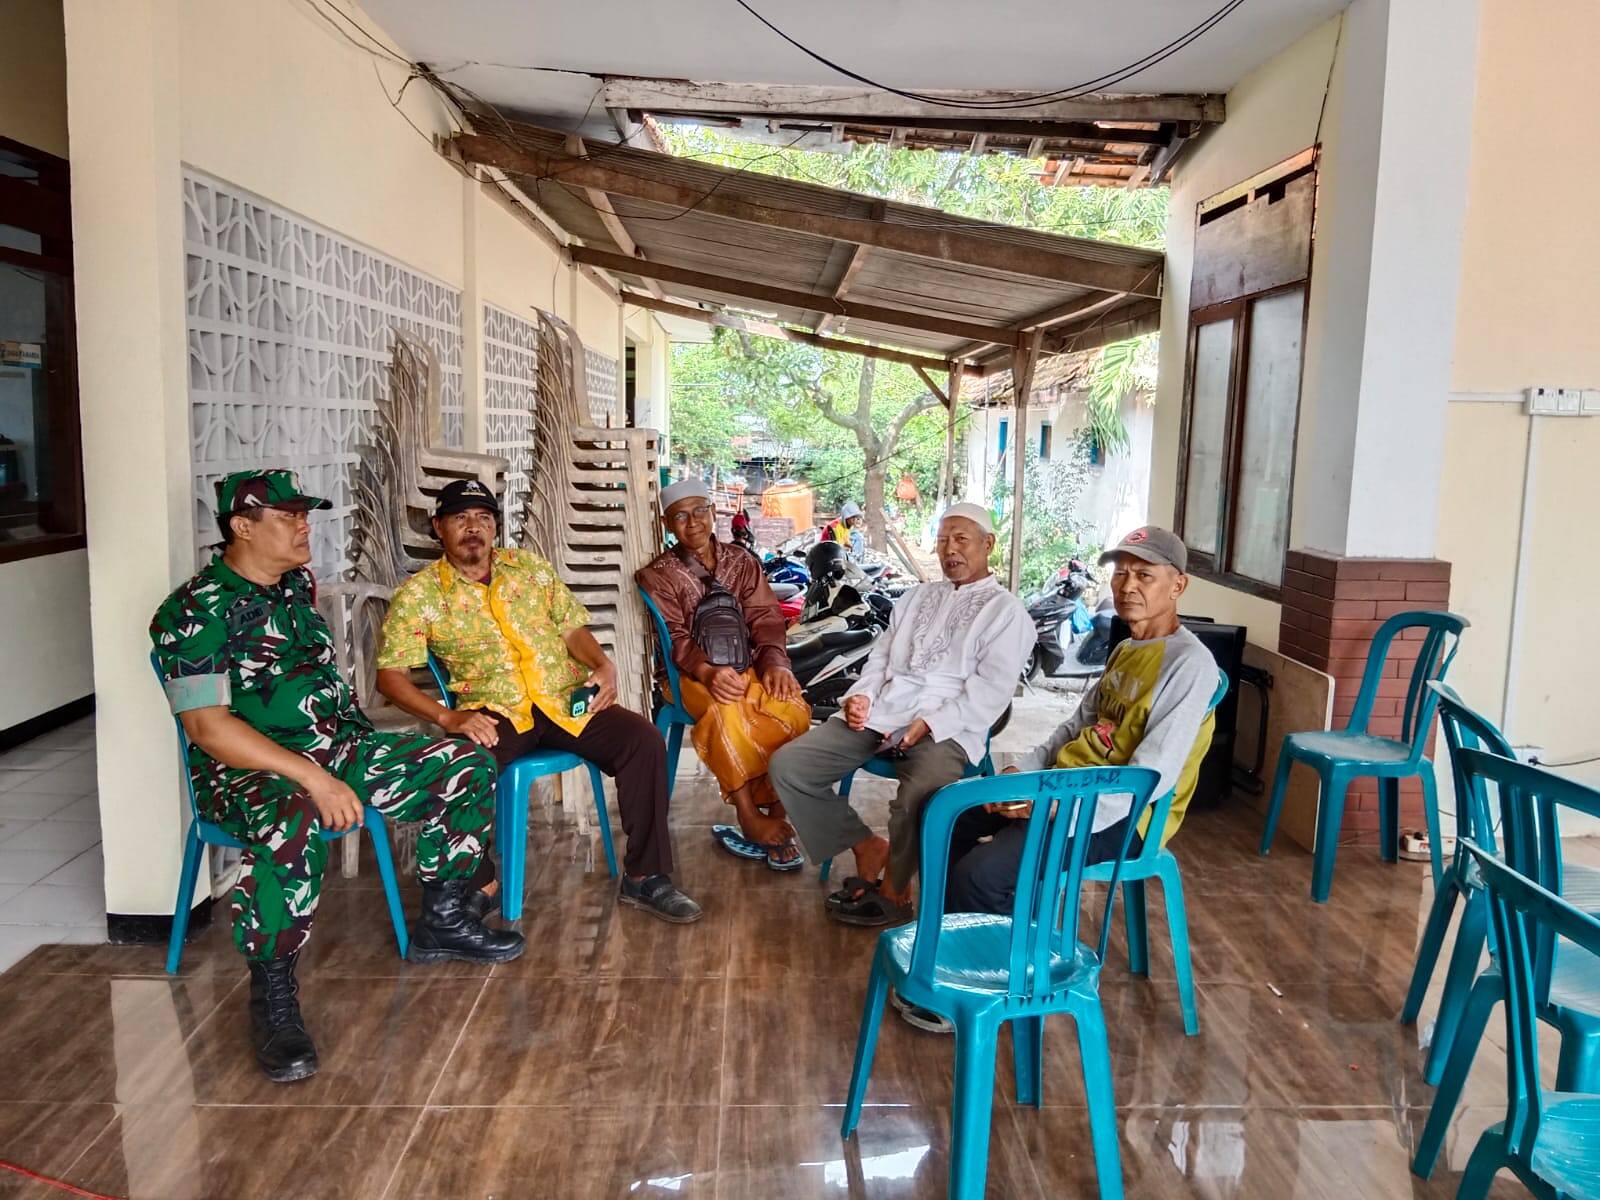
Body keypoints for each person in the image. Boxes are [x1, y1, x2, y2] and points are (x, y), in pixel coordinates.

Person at [150, 470, 522, 1084]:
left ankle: (444, 918)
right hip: (248, 772)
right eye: (288, 517)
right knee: (290, 819)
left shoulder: (294, 584)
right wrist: (312, 779)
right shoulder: (192, 612)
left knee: (464, 760)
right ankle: (272, 996)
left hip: (341, 748)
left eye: (305, 515)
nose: (305, 526)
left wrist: (336, 763)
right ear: (242, 528)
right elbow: (209, 729)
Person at [375, 479, 701, 925]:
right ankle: (482, 883)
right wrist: (448, 716)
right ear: (439, 527)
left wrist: (603, 666)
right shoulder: (420, 594)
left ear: (495, 527)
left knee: (642, 740)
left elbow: (571, 629)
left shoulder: (528, 569)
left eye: (484, 519)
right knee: (463, 766)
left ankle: (645, 877)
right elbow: (390, 677)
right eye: (461, 519)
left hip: (563, 701)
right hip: (497, 710)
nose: (474, 528)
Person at [769, 503, 1034, 925]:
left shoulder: (1008, 614)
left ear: (988, 545)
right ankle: (865, 845)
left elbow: (992, 694)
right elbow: (881, 660)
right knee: (790, 765)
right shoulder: (916, 597)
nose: (951, 550)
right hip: (884, 711)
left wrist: (930, 723)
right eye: (944, 539)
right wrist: (861, 698)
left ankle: (895, 891)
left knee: (922, 793)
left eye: (962, 540)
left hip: (948, 726)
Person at [637, 478, 811, 870]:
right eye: (680, 516)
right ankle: (749, 814)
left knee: (791, 708)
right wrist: (707, 672)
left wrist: (775, 664)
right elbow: (677, 639)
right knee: (727, 712)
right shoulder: (658, 575)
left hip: (746, 666)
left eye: (700, 511)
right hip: (686, 676)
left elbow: (766, 617)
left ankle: (777, 808)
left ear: (714, 513)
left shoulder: (742, 561)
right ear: (667, 524)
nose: (693, 523)